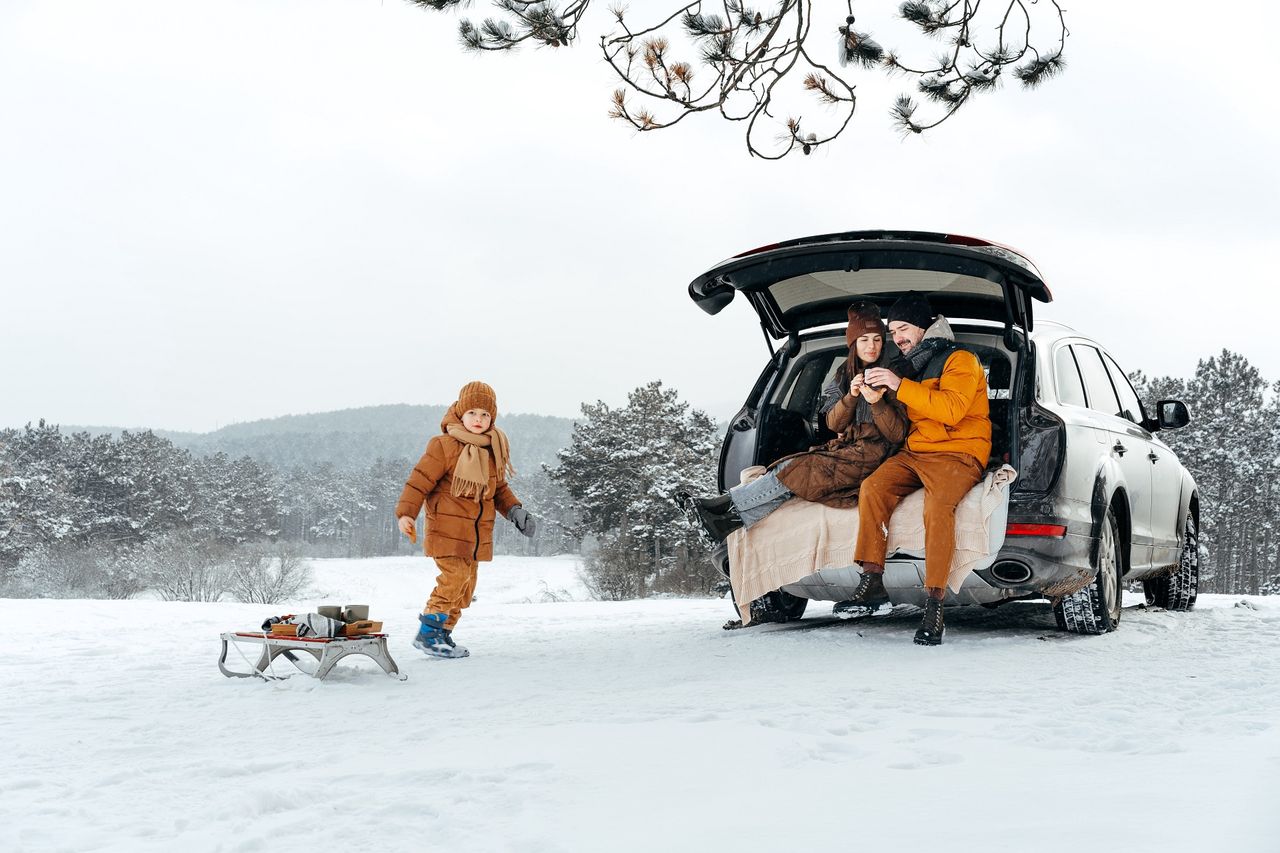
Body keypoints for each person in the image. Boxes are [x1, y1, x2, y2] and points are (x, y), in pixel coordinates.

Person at [680, 302, 908, 547]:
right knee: (793, 474)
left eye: (876, 339)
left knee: (795, 470)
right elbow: (833, 422)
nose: (871, 346)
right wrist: (850, 397)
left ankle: (720, 505)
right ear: (853, 343)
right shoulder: (844, 375)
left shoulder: (893, 375)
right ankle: (726, 523)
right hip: (847, 449)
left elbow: (896, 434)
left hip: (875, 456)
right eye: (864, 340)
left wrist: (877, 403)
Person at [842, 293, 992, 646]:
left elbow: (952, 409)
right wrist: (874, 395)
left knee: (938, 507)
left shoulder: (960, 360)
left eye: (904, 329)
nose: (898, 338)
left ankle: (935, 602)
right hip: (917, 451)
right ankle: (873, 578)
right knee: (874, 487)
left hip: (959, 452)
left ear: (924, 326)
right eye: (893, 332)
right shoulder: (908, 364)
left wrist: (898, 385)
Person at [395, 381, 537, 658]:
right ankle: (428, 634)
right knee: (454, 578)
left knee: (465, 588)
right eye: (472, 413)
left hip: (475, 536)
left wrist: (515, 511)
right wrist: (406, 513)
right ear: (461, 413)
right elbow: (418, 482)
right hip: (447, 530)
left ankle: (443, 634)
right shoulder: (443, 446)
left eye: (485, 415)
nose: (478, 419)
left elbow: (499, 490)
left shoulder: (492, 449)